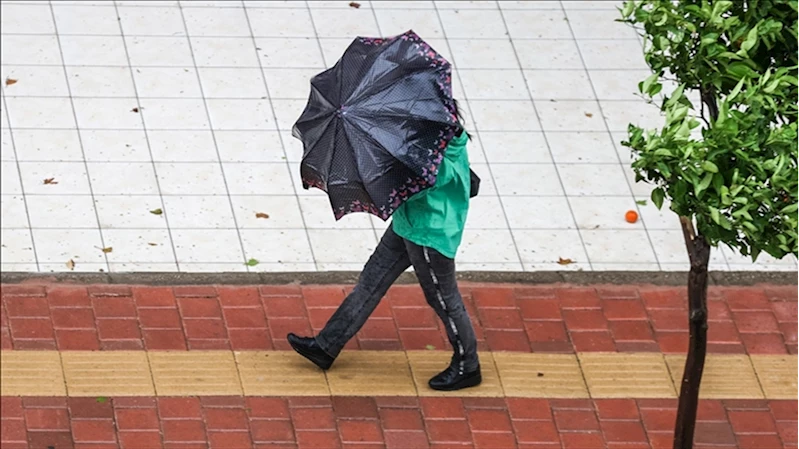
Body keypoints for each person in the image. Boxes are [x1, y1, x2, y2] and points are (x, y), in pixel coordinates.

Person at [287, 102, 480, 392]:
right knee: (371, 281)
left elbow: (396, 190)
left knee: (443, 299)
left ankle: (468, 366)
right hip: (408, 224)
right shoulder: (446, 136)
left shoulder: (429, 157)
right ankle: (326, 346)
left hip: (429, 234)